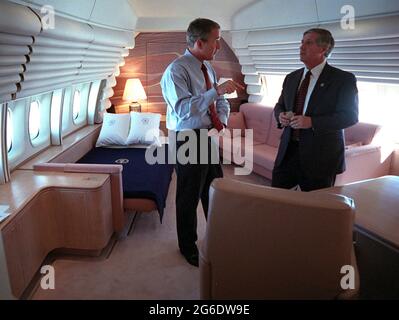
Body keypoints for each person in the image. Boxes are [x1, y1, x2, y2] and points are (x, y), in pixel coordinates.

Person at [160, 18, 244, 267]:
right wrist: (217, 92)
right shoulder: (176, 70)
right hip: (186, 138)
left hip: (208, 135)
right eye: (216, 40)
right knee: (188, 195)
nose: (219, 46)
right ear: (199, 42)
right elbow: (184, 109)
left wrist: (223, 122)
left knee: (214, 188)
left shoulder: (208, 68)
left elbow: (220, 103)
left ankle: (217, 235)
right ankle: (188, 246)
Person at [272, 28, 359, 191]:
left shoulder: (343, 79)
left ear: (323, 49)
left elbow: (350, 116)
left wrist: (312, 122)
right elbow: (279, 106)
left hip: (321, 156)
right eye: (301, 42)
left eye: (308, 43)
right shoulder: (291, 77)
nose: (301, 47)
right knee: (277, 199)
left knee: (314, 208)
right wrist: (280, 116)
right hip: (288, 151)